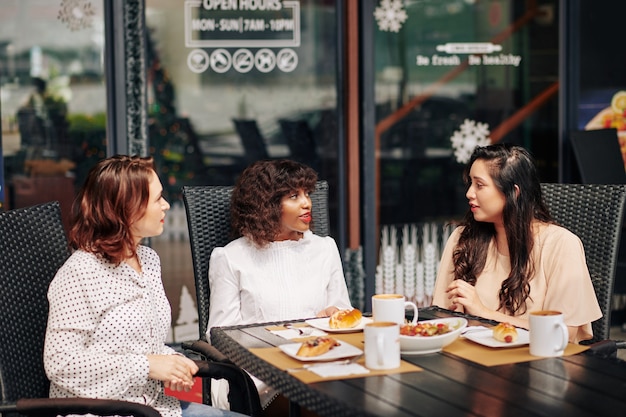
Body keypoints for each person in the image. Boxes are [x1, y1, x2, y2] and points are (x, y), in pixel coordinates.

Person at [43, 155, 244, 417]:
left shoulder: (148, 260)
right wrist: (147, 366)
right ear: (127, 208)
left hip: (156, 407)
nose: (167, 206)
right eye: (157, 199)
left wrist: (172, 364)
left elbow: (141, 344)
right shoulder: (79, 273)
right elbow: (61, 363)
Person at [206, 159, 353, 412]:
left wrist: (335, 315)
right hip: (258, 373)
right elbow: (220, 334)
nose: (306, 203)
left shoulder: (324, 248)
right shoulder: (230, 257)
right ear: (266, 205)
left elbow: (342, 313)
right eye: (293, 196)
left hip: (320, 362)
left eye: (307, 193)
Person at [432, 144, 601, 343]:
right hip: (471, 362)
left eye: (479, 185)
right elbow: (441, 319)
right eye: (470, 183)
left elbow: (563, 333)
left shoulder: (561, 245)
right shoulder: (463, 238)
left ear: (514, 192)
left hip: (539, 365)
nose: (469, 193)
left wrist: (483, 313)